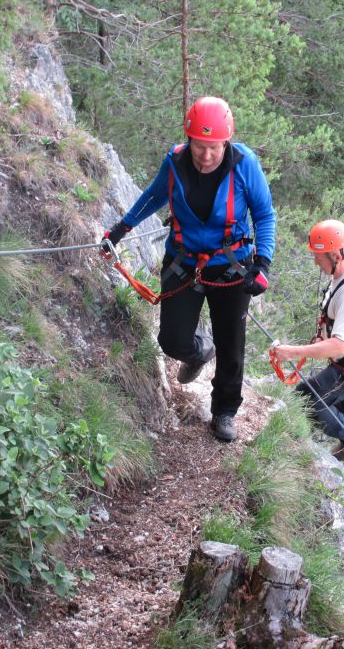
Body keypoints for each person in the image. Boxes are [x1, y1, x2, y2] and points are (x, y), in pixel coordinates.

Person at [102, 96, 276, 442]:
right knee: (171, 339)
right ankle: (198, 350)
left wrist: (263, 263)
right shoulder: (176, 161)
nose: (207, 155)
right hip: (184, 260)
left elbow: (264, 214)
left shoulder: (244, 164)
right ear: (190, 140)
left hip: (230, 266)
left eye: (214, 147)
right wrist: (121, 229)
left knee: (232, 345)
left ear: (225, 142)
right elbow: (154, 196)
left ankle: (224, 411)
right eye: (200, 147)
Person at [270, 219, 344, 483]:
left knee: (305, 402)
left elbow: (339, 345)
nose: (315, 262)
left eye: (318, 256)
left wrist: (292, 352)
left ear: (335, 254)